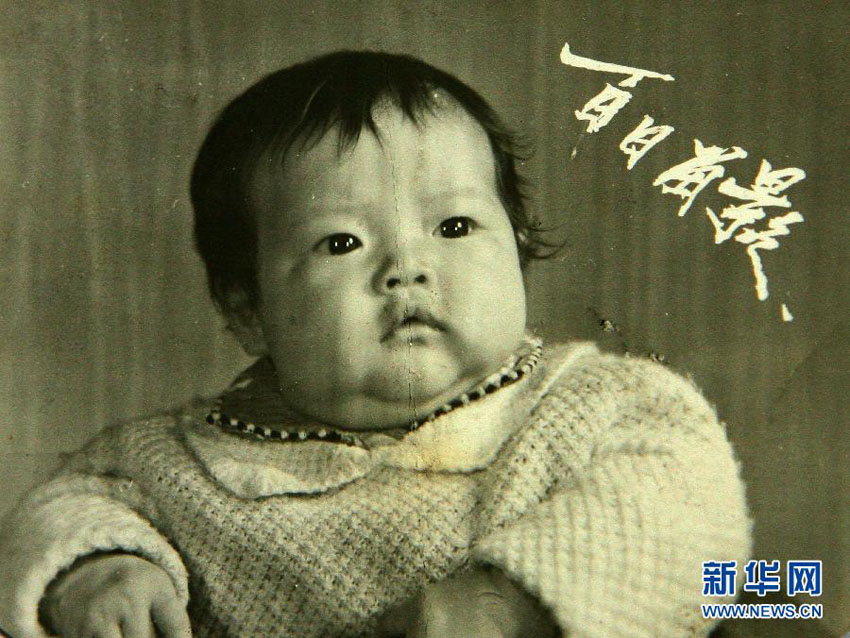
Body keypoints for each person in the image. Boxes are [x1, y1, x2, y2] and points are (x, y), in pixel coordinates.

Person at [0, 50, 750, 638]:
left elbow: (685, 512)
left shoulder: (600, 406)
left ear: (519, 249)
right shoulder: (175, 463)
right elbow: (66, 506)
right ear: (247, 308)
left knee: (777, 604)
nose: (406, 269)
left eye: (454, 227)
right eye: (342, 242)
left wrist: (507, 604)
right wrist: (98, 570)